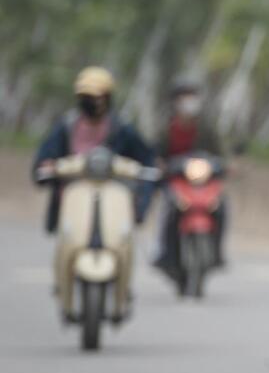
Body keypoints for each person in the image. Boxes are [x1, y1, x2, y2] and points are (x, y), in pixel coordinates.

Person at [32, 66, 158, 234]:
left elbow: (147, 160)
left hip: (112, 201)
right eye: (86, 97)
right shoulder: (66, 126)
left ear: (107, 98)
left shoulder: (121, 129)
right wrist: (46, 167)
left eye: (95, 97)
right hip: (73, 199)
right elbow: (44, 158)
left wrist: (143, 198)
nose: (91, 102)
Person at [153, 76, 227, 277]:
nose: (189, 102)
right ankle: (166, 254)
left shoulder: (206, 127)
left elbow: (220, 153)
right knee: (170, 210)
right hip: (177, 180)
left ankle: (218, 252)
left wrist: (228, 164)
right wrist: (160, 164)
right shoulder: (167, 127)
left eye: (192, 97)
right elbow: (157, 153)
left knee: (221, 207)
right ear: (175, 101)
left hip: (204, 182)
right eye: (184, 97)